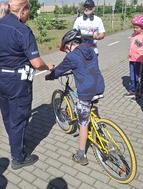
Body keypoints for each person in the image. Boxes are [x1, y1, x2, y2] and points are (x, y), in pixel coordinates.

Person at [0, 0, 54, 170]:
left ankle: (16, 141)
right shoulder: (23, 30)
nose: (28, 15)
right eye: (28, 11)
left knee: (7, 115)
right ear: (23, 10)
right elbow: (36, 63)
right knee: (19, 118)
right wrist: (48, 67)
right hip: (17, 81)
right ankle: (18, 157)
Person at [45, 29, 105, 165]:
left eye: (66, 48)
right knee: (90, 104)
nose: (66, 51)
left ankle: (81, 156)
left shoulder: (71, 57)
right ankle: (94, 122)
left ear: (70, 44)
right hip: (100, 86)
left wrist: (49, 76)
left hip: (86, 91)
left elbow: (59, 70)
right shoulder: (91, 50)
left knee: (82, 123)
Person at [123, 15, 143, 102]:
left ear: (142, 27)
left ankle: (138, 94)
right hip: (132, 59)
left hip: (141, 60)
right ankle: (133, 90)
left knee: (139, 77)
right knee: (132, 77)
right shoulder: (133, 35)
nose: (134, 29)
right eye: (134, 27)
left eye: (137, 28)